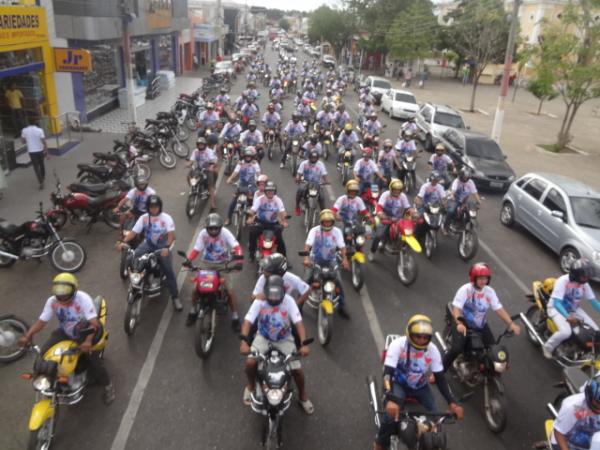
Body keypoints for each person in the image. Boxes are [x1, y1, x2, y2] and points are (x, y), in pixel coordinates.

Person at [18, 273, 115, 404]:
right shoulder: (52, 301)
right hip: (66, 331)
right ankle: (43, 380)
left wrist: (87, 341)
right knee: (42, 355)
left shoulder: (83, 299)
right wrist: (27, 336)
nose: (62, 297)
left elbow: (94, 323)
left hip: (86, 331)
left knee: (94, 361)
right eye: (59, 293)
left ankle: (108, 386)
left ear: (74, 290)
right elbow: (41, 321)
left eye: (65, 293)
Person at [373, 315, 464, 450]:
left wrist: (452, 402)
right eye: (418, 336)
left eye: (425, 337)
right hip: (398, 384)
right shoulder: (397, 345)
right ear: (409, 334)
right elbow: (387, 374)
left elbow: (440, 378)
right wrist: (390, 397)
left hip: (420, 386)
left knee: (436, 418)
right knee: (391, 417)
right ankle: (379, 443)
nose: (422, 340)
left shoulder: (432, 350)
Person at [239, 275, 314, 414]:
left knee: (297, 370)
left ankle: (303, 396)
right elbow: (247, 322)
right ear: (265, 292)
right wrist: (244, 342)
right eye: (270, 295)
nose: (273, 298)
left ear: (283, 292)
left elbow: (299, 324)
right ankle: (250, 386)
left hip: (285, 339)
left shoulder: (289, 301)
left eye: (276, 295)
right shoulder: (259, 301)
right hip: (263, 337)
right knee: (250, 363)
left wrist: (304, 344)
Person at [442, 263, 521, 370]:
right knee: (457, 349)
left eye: (485, 278)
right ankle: (439, 371)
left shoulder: (489, 292)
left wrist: (511, 324)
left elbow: (499, 309)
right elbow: (457, 309)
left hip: (481, 325)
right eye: (480, 278)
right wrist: (459, 323)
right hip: (463, 323)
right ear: (474, 278)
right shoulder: (466, 290)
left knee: (492, 349)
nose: (483, 281)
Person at [116, 195, 182, 311]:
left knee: (168, 270)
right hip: (149, 244)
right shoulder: (144, 218)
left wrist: (166, 248)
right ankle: (137, 280)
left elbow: (172, 235)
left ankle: (175, 297)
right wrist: (123, 242)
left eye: (156, 206)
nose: (154, 209)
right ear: (148, 207)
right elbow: (134, 232)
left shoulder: (166, 218)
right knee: (133, 257)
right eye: (151, 206)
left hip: (163, 245)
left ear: (159, 206)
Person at [185, 213, 243, 329]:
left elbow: (236, 247)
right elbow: (196, 249)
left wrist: (239, 262)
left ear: (220, 228)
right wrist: (188, 260)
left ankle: (235, 317)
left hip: (222, 265)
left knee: (230, 291)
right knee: (195, 289)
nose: (213, 231)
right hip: (206, 264)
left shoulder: (225, 233)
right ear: (207, 228)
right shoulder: (203, 234)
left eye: (215, 228)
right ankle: (192, 311)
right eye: (210, 228)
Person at [543, 259, 600, 359]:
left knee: (596, 331)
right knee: (566, 332)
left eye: (587, 277)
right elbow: (557, 303)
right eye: (584, 276)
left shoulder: (584, 284)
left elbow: (593, 301)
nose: (586, 279)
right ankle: (548, 347)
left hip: (573, 309)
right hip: (556, 309)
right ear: (576, 274)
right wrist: (567, 316)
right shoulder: (563, 281)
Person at [303, 209, 350, 318]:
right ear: (321, 221)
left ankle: (342, 307)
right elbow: (308, 246)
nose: (327, 223)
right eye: (325, 221)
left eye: (330, 221)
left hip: (331, 260)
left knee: (339, 282)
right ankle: (299, 306)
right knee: (306, 280)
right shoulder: (314, 231)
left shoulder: (337, 231)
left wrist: (345, 259)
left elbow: (342, 247)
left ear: (333, 222)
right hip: (315, 259)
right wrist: (306, 258)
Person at [368, 179, 412, 262]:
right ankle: (372, 252)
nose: (396, 192)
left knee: (408, 232)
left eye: (398, 190)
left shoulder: (403, 196)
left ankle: (401, 246)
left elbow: (408, 208)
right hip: (386, 218)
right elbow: (379, 207)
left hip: (398, 219)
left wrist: (409, 217)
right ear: (391, 188)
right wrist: (381, 214)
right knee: (379, 235)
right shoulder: (385, 195)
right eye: (395, 189)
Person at [550, 379, 600, 450]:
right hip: (565, 442)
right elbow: (559, 433)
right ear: (590, 395)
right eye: (598, 402)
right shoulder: (574, 407)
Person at [247, 181, 288, 259]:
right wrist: (250, 218)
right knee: (252, 232)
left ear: (274, 192)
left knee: (280, 240)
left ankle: (284, 258)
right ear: (265, 191)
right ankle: (251, 252)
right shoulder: (260, 199)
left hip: (273, 224)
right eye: (268, 191)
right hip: (260, 222)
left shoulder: (277, 200)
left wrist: (284, 221)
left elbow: (283, 211)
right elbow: (253, 210)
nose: (270, 192)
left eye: (272, 191)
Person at [225, 146, 261, 226]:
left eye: (249, 157)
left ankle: (253, 217)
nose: (248, 158)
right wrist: (230, 178)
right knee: (234, 200)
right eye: (246, 157)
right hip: (241, 184)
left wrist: (261, 181)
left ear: (252, 157)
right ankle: (228, 218)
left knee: (255, 201)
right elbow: (235, 172)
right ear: (244, 156)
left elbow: (258, 174)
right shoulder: (241, 163)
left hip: (252, 185)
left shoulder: (255, 164)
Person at [187, 137, 219, 211]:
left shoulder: (209, 151)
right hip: (198, 169)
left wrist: (211, 166)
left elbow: (214, 160)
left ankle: (212, 203)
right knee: (188, 176)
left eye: (202, 145)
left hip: (207, 170)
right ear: (197, 145)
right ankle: (193, 188)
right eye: (199, 145)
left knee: (210, 187)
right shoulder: (195, 151)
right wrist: (188, 164)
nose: (200, 146)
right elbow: (191, 160)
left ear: (205, 145)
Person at [445, 167, 481, 231]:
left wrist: (479, 202)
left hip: (464, 200)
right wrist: (452, 195)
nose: (465, 178)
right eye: (464, 176)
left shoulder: (470, 182)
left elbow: (475, 193)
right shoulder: (457, 181)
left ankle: (464, 223)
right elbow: (453, 190)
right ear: (461, 175)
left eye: (467, 177)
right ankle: (446, 227)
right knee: (451, 211)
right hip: (455, 200)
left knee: (471, 210)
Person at [295, 150, 328, 216]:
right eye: (312, 157)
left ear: (317, 158)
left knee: (321, 197)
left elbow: (324, 174)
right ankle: (297, 206)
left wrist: (326, 181)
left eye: (315, 158)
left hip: (317, 183)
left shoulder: (320, 164)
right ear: (309, 157)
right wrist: (297, 178)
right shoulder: (304, 163)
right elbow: (299, 173)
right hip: (306, 182)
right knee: (300, 191)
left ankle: (323, 214)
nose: (314, 159)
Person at [21, 119, 48, 189]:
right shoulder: (40, 130)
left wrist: (28, 139)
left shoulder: (24, 130)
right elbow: (44, 142)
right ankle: (43, 176)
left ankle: (41, 181)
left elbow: (23, 142)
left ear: (28, 122)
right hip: (40, 150)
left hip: (32, 152)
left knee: (36, 167)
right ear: (36, 123)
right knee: (41, 164)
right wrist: (47, 153)